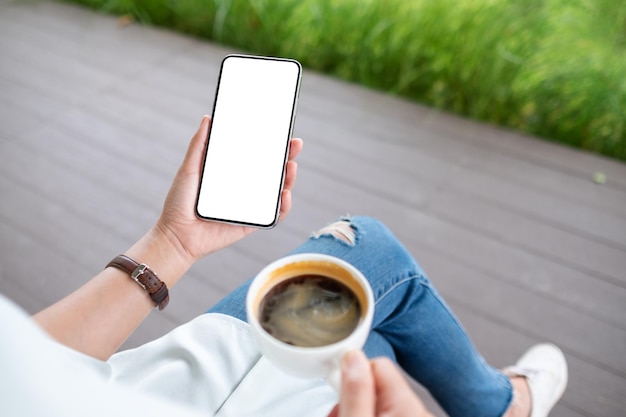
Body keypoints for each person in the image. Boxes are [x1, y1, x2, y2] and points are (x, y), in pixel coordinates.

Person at [0, 116, 567, 417]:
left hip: (166, 384)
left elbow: (26, 368)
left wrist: (173, 242)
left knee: (367, 331)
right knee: (371, 258)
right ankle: (504, 405)